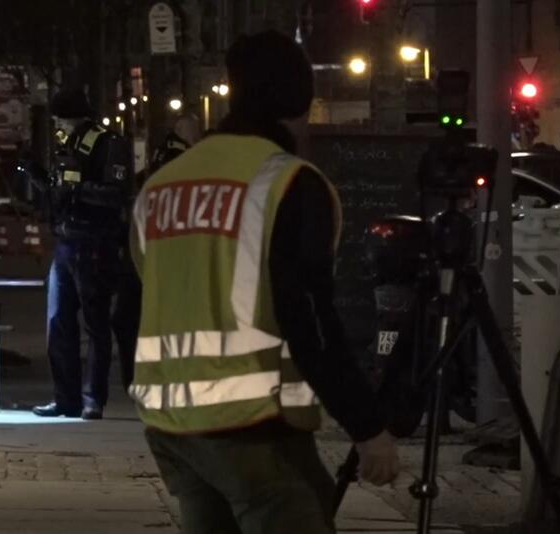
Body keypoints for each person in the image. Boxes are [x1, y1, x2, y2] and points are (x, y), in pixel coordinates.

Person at [128, 31, 400, 533]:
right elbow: (311, 321)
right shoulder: (286, 183)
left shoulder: (160, 187)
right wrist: (367, 426)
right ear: (302, 100)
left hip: (169, 425)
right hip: (250, 426)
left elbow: (141, 298)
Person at [32, 88, 132, 420]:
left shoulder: (109, 144)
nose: (58, 124)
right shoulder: (69, 144)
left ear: (72, 116)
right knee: (58, 323)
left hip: (94, 244)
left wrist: (74, 189)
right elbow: (60, 190)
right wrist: (39, 180)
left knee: (95, 324)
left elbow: (117, 194)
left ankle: (93, 399)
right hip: (66, 243)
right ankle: (66, 399)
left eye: (60, 117)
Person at [113, 114, 201, 392]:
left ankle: (138, 377)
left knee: (129, 319)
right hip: (160, 254)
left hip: (147, 251)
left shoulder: (165, 158)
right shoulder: (184, 159)